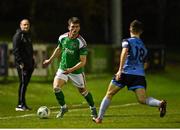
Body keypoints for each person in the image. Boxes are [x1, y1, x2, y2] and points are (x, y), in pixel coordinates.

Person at [93, 20, 167, 123]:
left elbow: (124, 53)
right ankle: (159, 103)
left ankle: (99, 118)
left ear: (130, 29)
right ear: (141, 31)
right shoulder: (144, 47)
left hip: (125, 72)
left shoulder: (127, 41)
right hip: (139, 76)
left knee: (109, 94)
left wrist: (119, 70)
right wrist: (139, 70)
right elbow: (146, 64)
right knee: (143, 99)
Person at [43, 17, 97, 119]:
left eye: (77, 27)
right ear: (69, 27)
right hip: (63, 68)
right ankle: (63, 107)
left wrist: (71, 70)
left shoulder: (81, 42)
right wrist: (50, 60)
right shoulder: (62, 37)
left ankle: (93, 108)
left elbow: (83, 62)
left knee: (83, 92)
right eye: (73, 27)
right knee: (56, 88)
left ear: (79, 28)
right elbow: (59, 48)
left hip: (76, 71)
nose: (75, 29)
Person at [13, 19, 35, 111]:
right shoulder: (18, 36)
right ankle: (20, 105)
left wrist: (32, 61)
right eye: (24, 25)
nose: (26, 26)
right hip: (22, 65)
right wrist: (20, 62)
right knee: (22, 83)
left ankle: (22, 104)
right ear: (20, 25)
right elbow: (15, 50)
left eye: (27, 25)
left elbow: (29, 50)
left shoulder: (28, 36)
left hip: (29, 64)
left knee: (25, 84)